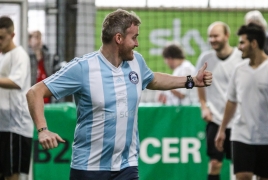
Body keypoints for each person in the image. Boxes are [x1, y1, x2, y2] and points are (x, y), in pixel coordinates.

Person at [26, 9, 212, 180]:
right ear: (118, 38)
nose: (137, 44)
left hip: (127, 166)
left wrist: (191, 81)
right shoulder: (82, 68)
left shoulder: (136, 62)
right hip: (89, 167)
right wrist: (42, 130)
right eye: (134, 38)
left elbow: (152, 79)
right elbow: (35, 92)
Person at [215, 23, 268, 180]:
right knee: (243, 176)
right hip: (241, 135)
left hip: (265, 137)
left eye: (242, 42)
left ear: (254, 43)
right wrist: (222, 130)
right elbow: (231, 101)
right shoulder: (239, 70)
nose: (238, 47)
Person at [195, 21, 243, 180]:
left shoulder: (241, 57)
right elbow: (199, 85)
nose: (212, 39)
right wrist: (203, 106)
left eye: (216, 35)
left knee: (242, 168)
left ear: (227, 36)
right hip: (215, 120)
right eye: (210, 36)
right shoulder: (205, 58)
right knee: (215, 163)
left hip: (238, 121)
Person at [0, 16, 33, 180]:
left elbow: (16, 82)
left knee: (11, 174)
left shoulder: (20, 55)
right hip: (3, 124)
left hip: (16, 126)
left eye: (1, 38)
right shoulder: (2, 56)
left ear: (12, 35)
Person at [28, 30, 64, 103]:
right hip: (33, 99)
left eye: (39, 37)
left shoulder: (51, 58)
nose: (38, 39)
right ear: (29, 41)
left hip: (48, 100)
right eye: (35, 37)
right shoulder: (27, 58)